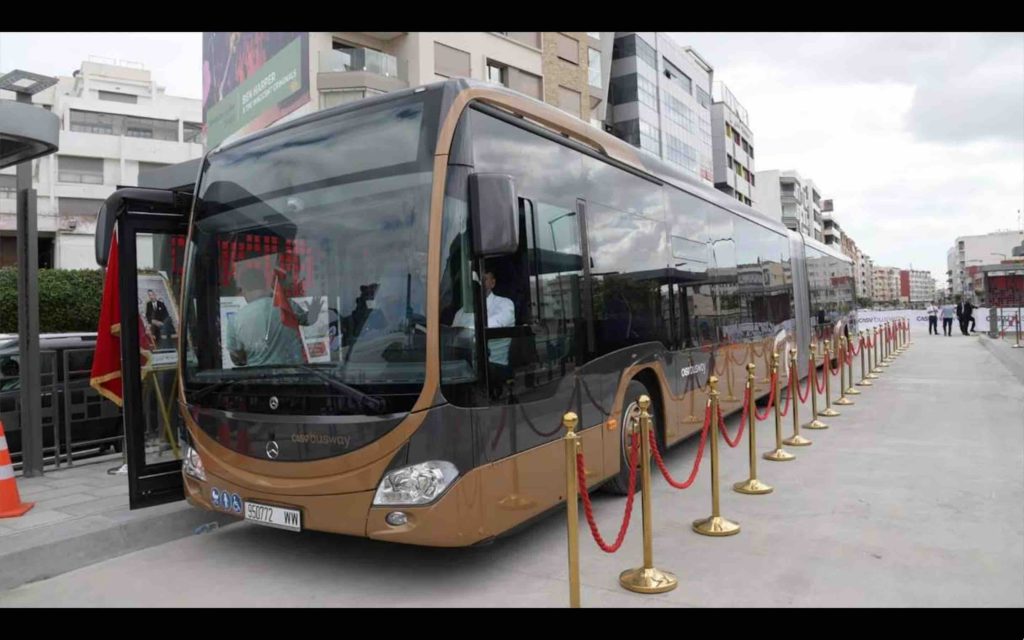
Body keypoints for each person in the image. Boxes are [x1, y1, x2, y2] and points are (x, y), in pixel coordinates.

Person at [226, 268, 322, 367]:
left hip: (257, 379)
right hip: (292, 376)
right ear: (264, 286)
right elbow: (309, 320)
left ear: (244, 289)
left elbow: (237, 359)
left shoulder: (235, 321)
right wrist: (314, 311)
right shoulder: (287, 305)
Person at [453, 270, 516, 392]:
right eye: (474, 282)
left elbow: (494, 324)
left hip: (495, 366)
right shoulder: (461, 312)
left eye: (483, 280)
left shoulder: (504, 304)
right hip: (464, 367)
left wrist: (462, 333)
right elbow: (452, 339)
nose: (478, 284)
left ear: (493, 283)